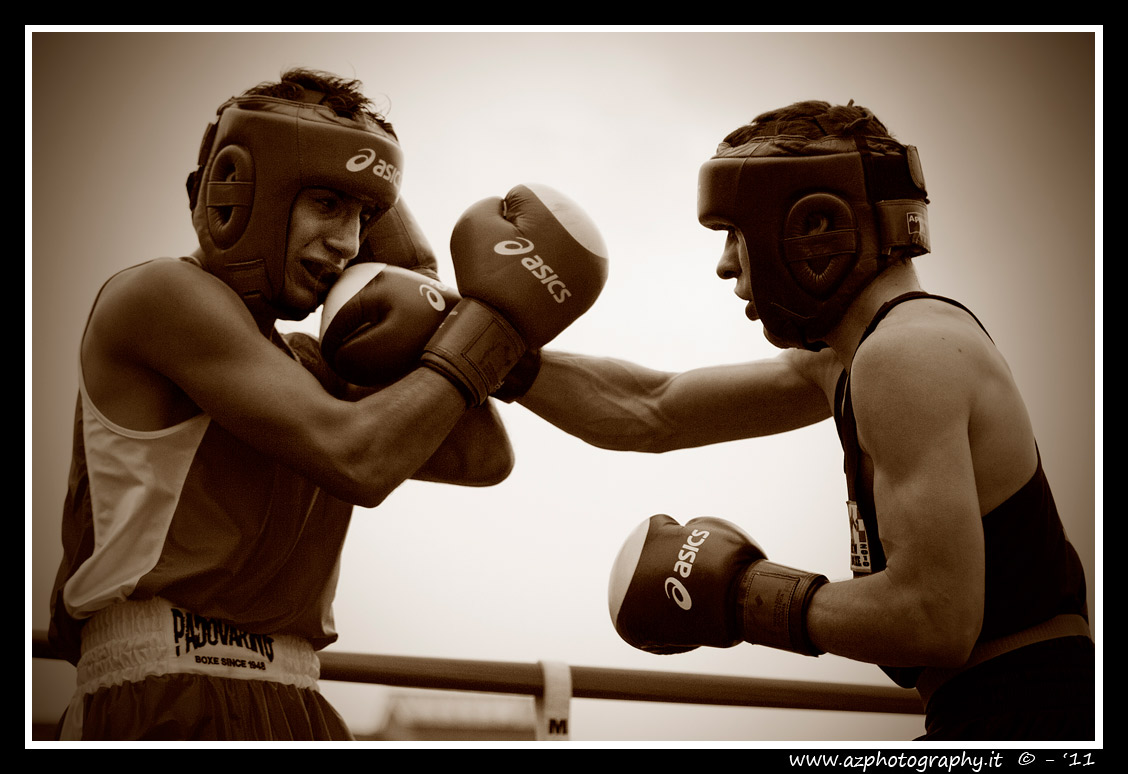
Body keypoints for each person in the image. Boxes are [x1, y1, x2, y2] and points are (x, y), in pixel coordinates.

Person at [497, 101, 1094, 741]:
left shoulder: (906, 353)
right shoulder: (851, 358)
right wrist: (489, 353)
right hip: (991, 709)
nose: (726, 264)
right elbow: (655, 408)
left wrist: (744, 596)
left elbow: (934, 618)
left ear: (812, 227)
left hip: (1027, 713)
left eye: (734, 231)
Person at [47, 68, 609, 741]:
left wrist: (417, 281)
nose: (346, 242)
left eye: (365, 217)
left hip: (296, 697)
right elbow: (359, 458)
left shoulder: (309, 370)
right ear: (241, 191)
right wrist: (490, 327)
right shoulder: (159, 296)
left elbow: (481, 453)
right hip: (163, 694)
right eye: (326, 204)